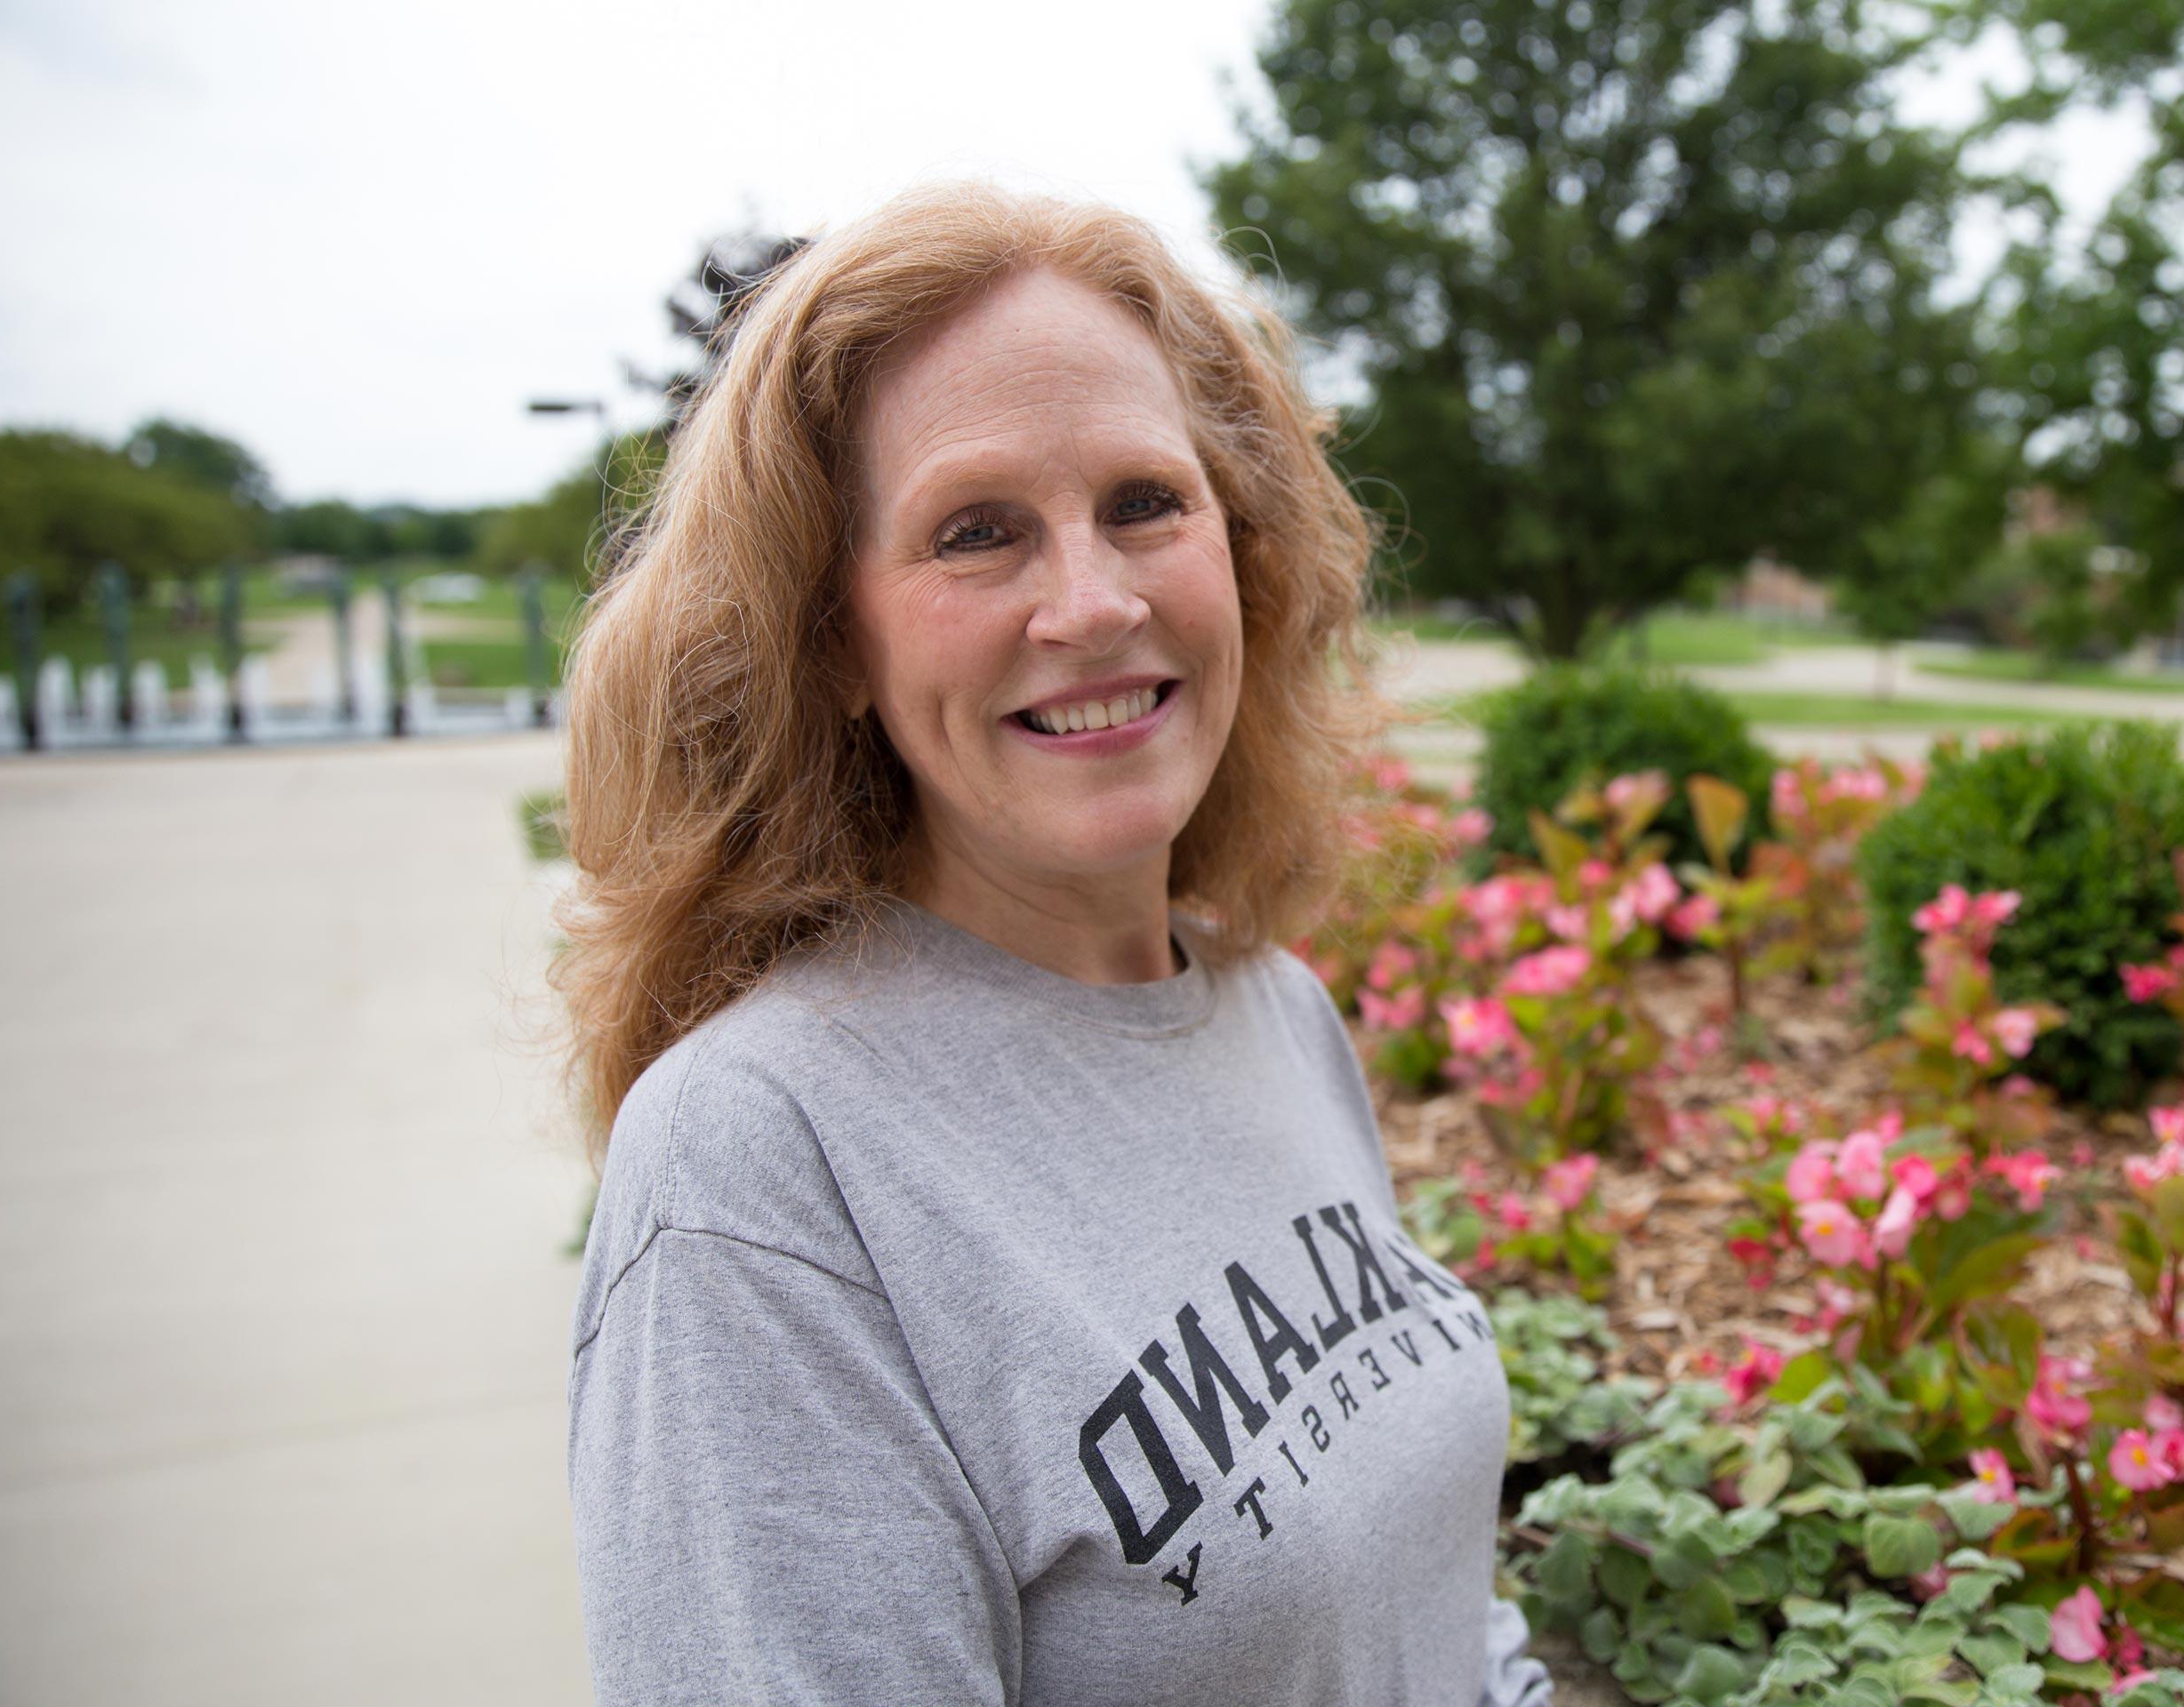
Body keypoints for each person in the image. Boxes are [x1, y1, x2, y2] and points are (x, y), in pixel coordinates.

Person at [551, 181, 1554, 1707]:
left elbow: (1433, 1611)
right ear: (831, 642)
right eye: (977, 533)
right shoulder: (760, 1166)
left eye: (1147, 503)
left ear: (1245, 551)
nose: (1091, 604)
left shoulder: (1269, 1006)